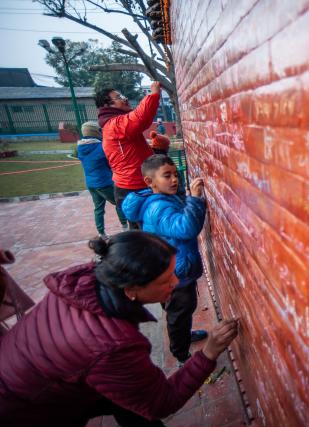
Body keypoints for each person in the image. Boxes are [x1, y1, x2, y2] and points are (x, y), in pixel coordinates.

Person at [0, 232, 239, 426]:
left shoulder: (87, 280)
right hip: (27, 411)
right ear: (131, 290)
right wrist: (209, 352)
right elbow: (162, 402)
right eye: (165, 280)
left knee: (132, 401)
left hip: (24, 377)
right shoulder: (112, 345)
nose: (175, 283)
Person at [122, 155, 208, 365]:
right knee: (180, 312)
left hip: (172, 268)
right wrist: (195, 200)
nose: (174, 180)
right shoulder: (159, 207)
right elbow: (186, 228)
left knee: (178, 311)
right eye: (167, 176)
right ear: (149, 182)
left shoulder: (161, 199)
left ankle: (183, 336)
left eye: (175, 175)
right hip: (175, 274)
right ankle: (181, 354)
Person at [96, 82, 161, 229]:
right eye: (119, 97)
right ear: (108, 105)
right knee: (147, 233)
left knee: (147, 230)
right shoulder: (114, 124)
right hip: (133, 188)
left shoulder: (114, 124)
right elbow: (140, 118)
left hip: (135, 185)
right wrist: (153, 94)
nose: (124, 99)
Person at [77, 121, 128, 237]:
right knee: (119, 203)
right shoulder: (101, 146)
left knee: (98, 208)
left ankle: (101, 233)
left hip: (91, 184)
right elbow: (111, 163)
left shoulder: (80, 147)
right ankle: (126, 227)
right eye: (99, 131)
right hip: (104, 182)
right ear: (95, 132)